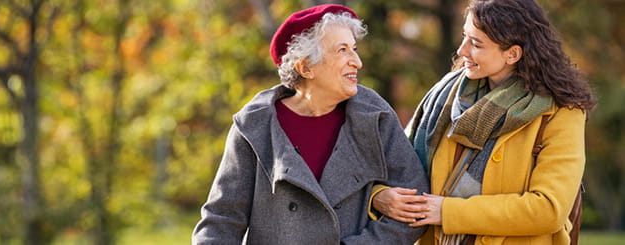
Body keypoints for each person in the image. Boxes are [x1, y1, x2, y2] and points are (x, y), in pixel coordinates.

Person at [191, 4, 429, 244]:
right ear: (305, 67)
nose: (357, 61)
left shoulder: (374, 115)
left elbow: (415, 201)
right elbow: (221, 220)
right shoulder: (255, 126)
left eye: (354, 49)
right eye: (342, 50)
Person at [370, 0, 596, 244]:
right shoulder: (444, 98)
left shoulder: (561, 113)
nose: (462, 51)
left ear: (513, 54)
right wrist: (379, 196)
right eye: (465, 37)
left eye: (476, 44)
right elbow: (393, 168)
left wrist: (448, 212)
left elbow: (549, 209)